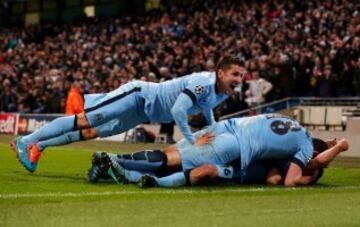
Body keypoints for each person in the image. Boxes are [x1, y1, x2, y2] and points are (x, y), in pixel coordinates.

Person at [10, 55, 246, 173]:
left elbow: (207, 108)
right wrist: (193, 140)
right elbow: (178, 110)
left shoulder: (221, 93)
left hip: (143, 113)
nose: (238, 80)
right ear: (220, 72)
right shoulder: (202, 83)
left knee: (92, 131)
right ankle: (26, 140)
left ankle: (38, 148)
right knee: (84, 120)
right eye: (235, 74)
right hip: (139, 96)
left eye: (241, 76)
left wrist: (214, 128)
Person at [88, 114, 348, 187]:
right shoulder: (301, 150)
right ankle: (114, 160)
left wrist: (332, 147)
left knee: (173, 153)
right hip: (235, 145)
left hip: (227, 125)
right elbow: (302, 173)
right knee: (175, 159)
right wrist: (339, 148)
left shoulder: (293, 126)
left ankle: (108, 167)